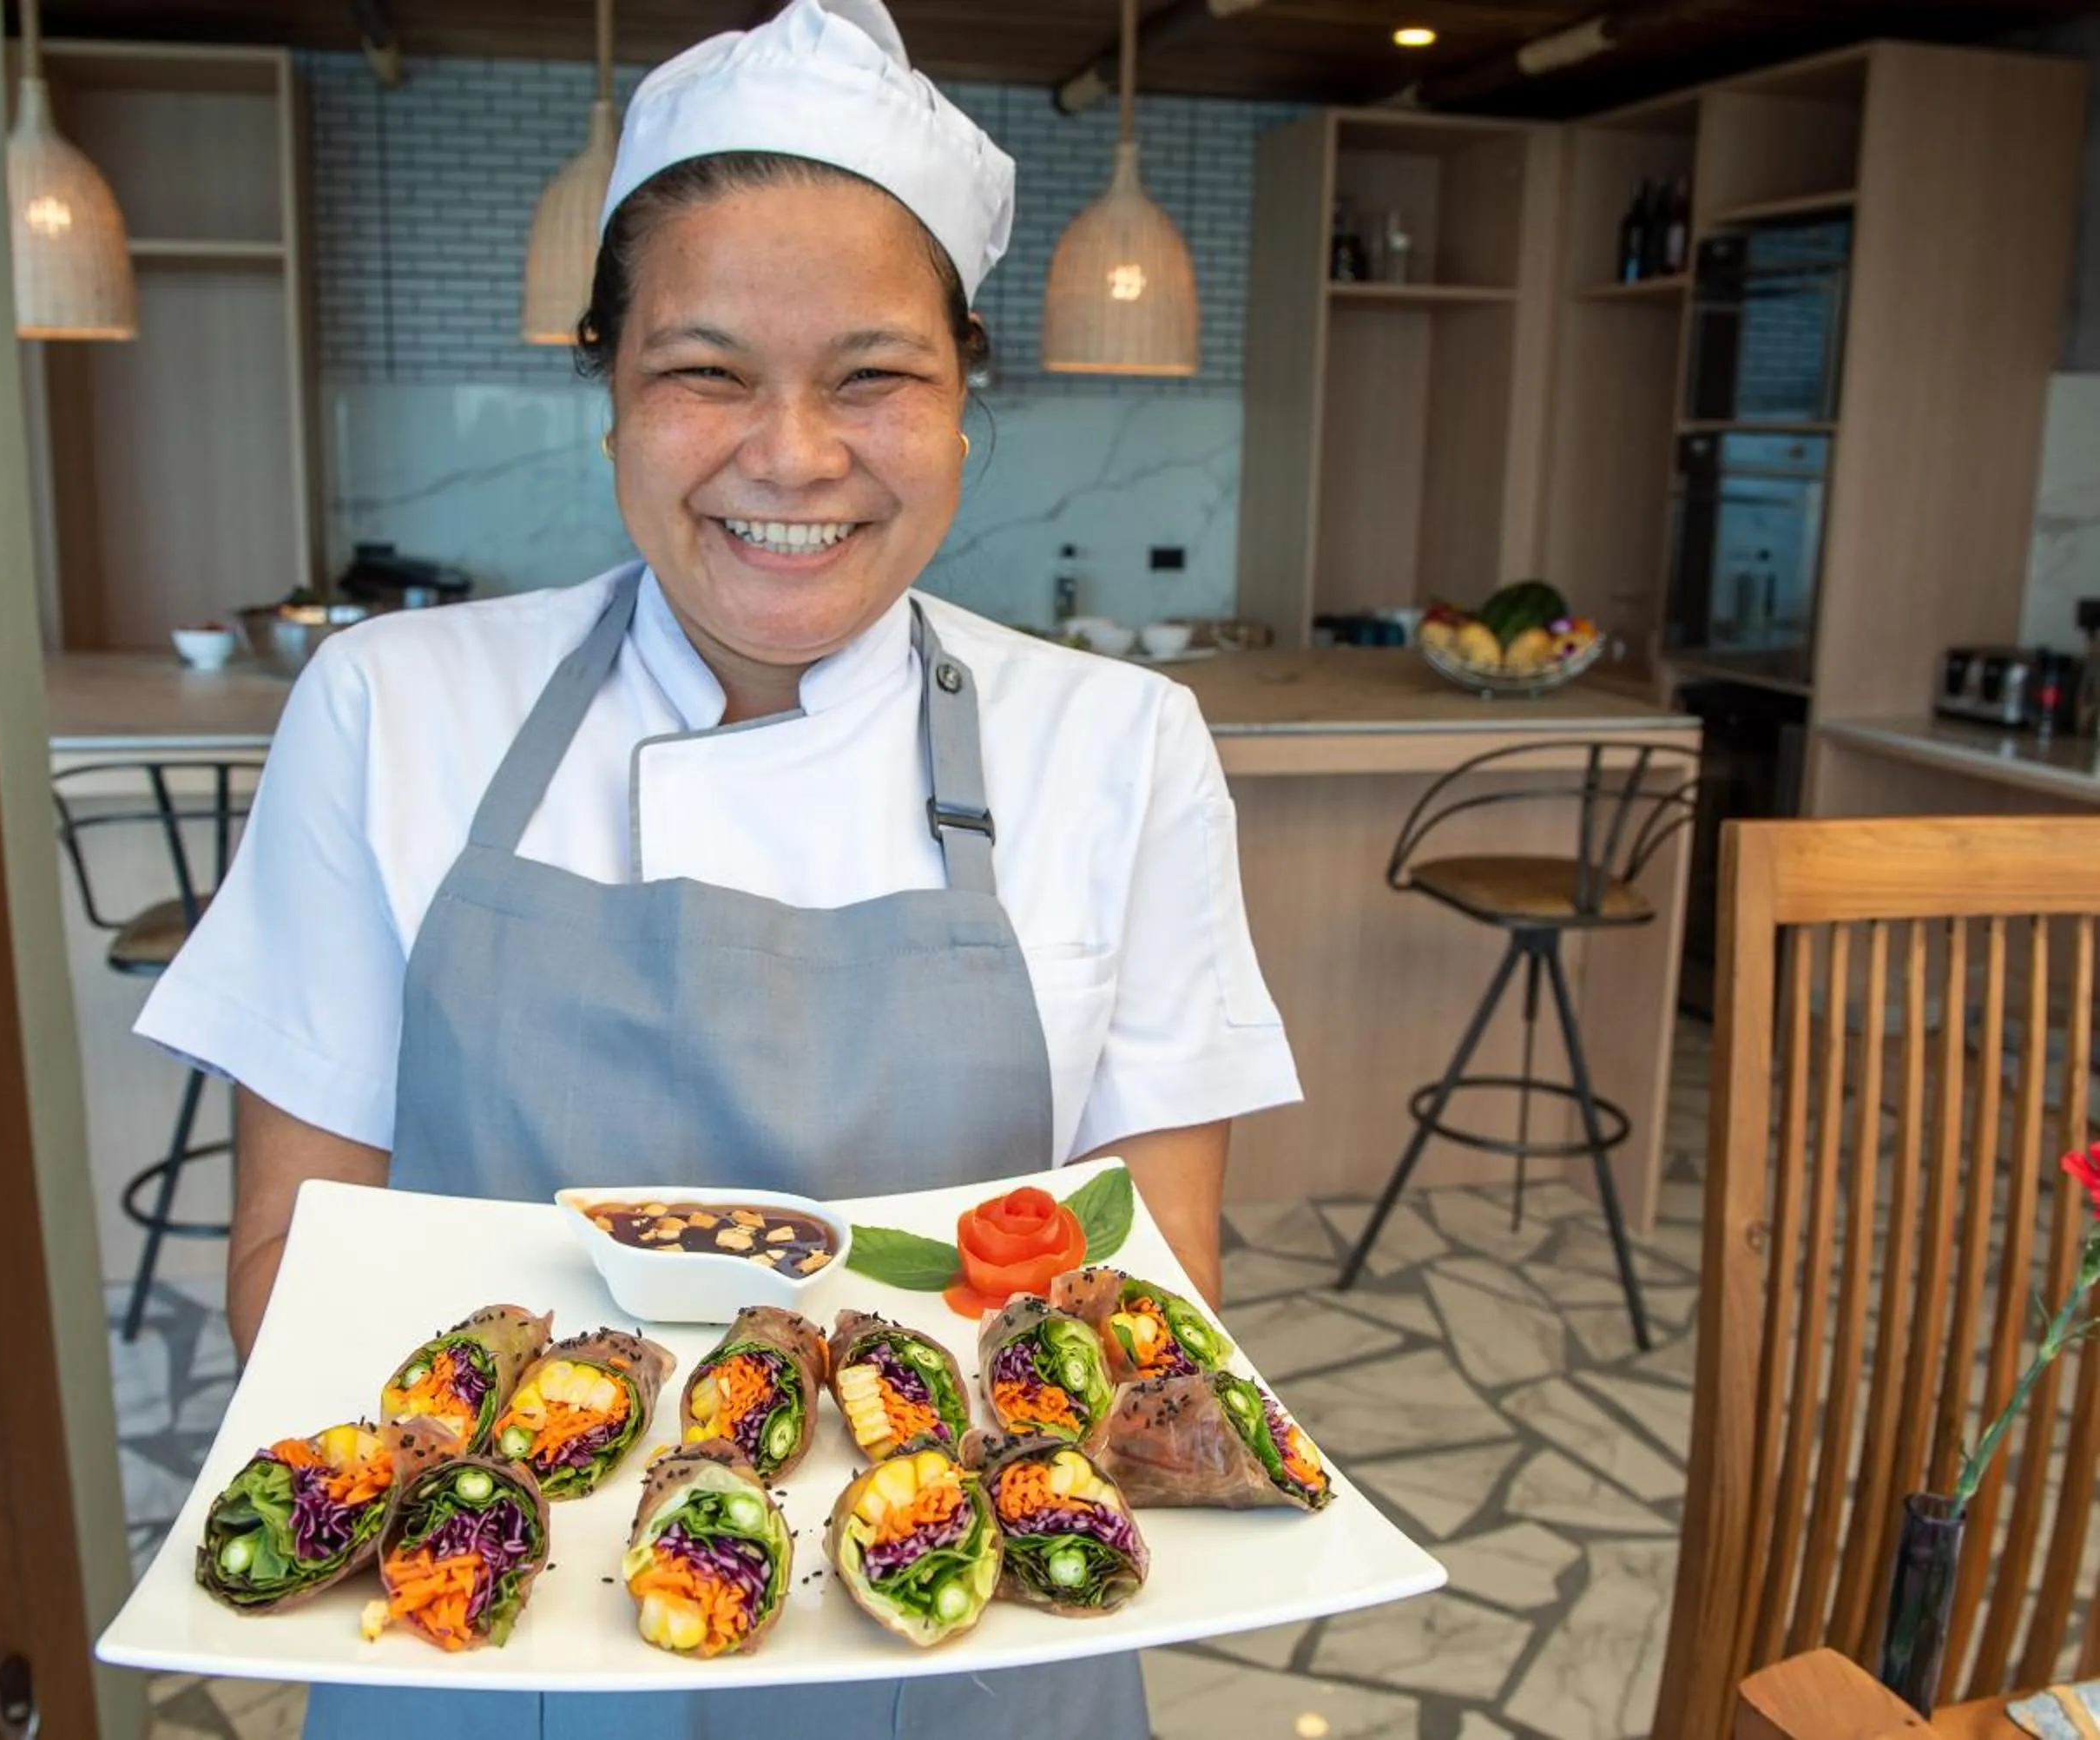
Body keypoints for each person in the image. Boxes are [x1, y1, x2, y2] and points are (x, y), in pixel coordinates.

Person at [135, 3, 1300, 1734]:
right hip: (489, 1645)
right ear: (603, 384)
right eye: (703, 370)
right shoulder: (393, 709)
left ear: (969, 390)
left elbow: (1149, 1281)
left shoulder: (1119, 745)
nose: (793, 455)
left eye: (875, 374)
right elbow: (290, 1269)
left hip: (965, 1667)